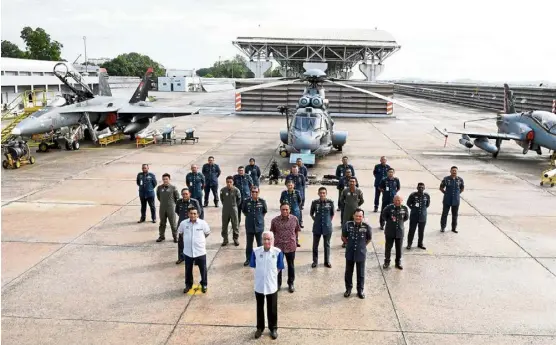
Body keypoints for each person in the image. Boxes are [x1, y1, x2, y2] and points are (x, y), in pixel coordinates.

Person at [249, 231, 284, 340]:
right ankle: (260, 328)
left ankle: (273, 328)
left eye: (269, 239)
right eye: (264, 239)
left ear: (272, 240)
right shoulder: (255, 251)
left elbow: (279, 267)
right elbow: (253, 266)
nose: (266, 241)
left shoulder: (278, 252)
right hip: (259, 285)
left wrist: (270, 276)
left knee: (272, 308)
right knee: (260, 307)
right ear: (262, 240)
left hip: (271, 285)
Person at [179, 207, 211, 294]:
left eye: (194, 214)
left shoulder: (202, 223)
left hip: (200, 251)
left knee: (203, 269)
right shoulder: (183, 223)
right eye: (191, 213)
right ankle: (188, 285)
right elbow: (181, 233)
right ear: (188, 214)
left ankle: (204, 284)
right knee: (188, 270)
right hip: (188, 252)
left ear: (197, 214)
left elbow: (207, 233)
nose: (193, 215)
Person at [270, 203, 300, 293]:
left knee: (291, 265)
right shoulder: (275, 220)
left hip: (290, 246)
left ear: (289, 210)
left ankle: (291, 283)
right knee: (278, 266)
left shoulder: (294, 219)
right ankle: (278, 284)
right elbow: (272, 232)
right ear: (280, 210)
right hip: (278, 247)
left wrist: (297, 242)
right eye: (283, 209)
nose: (285, 211)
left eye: (287, 209)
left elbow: (297, 231)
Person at [342, 209, 372, 299]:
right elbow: (343, 237)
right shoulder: (348, 225)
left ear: (363, 217)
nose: (358, 218)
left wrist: (362, 246)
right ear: (353, 216)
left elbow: (369, 239)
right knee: (348, 272)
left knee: (361, 273)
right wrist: (349, 244)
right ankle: (348, 289)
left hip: (361, 253)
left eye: (360, 216)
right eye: (357, 216)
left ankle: (360, 290)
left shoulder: (366, 227)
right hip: (350, 252)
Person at [381, 195, 409, 270]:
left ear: (401, 201)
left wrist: (400, 223)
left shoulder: (404, 208)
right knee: (388, 248)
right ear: (393, 200)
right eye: (396, 200)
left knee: (399, 248)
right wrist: (390, 221)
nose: (397, 202)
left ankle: (398, 262)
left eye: (399, 200)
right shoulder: (389, 208)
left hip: (399, 231)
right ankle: (387, 262)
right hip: (390, 231)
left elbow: (406, 218)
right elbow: (383, 216)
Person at [175, 188, 202, 264]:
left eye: (186, 194)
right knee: (181, 242)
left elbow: (199, 212)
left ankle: (196, 259)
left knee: (194, 242)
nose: (185, 195)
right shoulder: (179, 202)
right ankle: (181, 257)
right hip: (182, 225)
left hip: (192, 225)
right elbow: (177, 211)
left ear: (189, 194)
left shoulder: (194, 202)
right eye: (183, 194)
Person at [242, 187, 268, 266]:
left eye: (256, 192)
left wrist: (259, 218)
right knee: (249, 244)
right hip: (249, 226)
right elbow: (244, 211)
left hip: (259, 226)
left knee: (260, 244)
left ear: (258, 192)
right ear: (250, 192)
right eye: (253, 192)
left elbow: (264, 211)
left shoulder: (262, 201)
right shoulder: (246, 201)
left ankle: (260, 259)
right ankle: (248, 259)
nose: (254, 193)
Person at [310, 187, 334, 268]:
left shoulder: (330, 202)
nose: (322, 194)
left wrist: (328, 222)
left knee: (326, 245)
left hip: (327, 227)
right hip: (317, 227)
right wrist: (316, 220)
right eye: (321, 193)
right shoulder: (314, 203)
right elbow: (311, 213)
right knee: (315, 245)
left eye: (324, 193)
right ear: (318, 193)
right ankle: (315, 261)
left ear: (326, 194)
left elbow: (332, 214)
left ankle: (327, 261)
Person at [340, 177, 364, 247]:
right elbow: (341, 200)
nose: (352, 183)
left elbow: (362, 200)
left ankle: (353, 241)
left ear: (356, 183)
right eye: (351, 181)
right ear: (348, 182)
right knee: (345, 226)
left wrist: (356, 206)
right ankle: (345, 241)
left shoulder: (359, 191)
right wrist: (346, 206)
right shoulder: (345, 190)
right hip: (347, 212)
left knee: (355, 226)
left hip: (355, 212)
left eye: (353, 182)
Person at [155, 173, 180, 243]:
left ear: (169, 179)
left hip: (171, 208)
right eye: (164, 179)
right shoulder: (159, 188)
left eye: (166, 179)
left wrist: (172, 204)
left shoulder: (173, 188)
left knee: (173, 223)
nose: (165, 180)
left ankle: (175, 236)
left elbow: (177, 197)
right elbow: (158, 197)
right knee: (162, 223)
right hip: (162, 208)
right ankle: (161, 236)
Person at [439, 166, 464, 233]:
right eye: (453, 170)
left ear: (457, 172)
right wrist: (446, 193)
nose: (454, 172)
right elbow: (441, 188)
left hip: (456, 201)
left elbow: (462, 188)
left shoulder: (460, 180)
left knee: (455, 215)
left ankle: (453, 228)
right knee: (444, 214)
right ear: (450, 171)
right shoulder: (446, 179)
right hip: (447, 200)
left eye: (455, 171)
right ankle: (442, 227)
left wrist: (457, 194)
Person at [406, 183, 430, 250]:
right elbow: (408, 203)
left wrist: (422, 210)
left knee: (421, 231)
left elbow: (427, 205)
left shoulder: (426, 196)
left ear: (424, 188)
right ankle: (409, 244)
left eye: (422, 187)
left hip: (422, 217)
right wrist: (413, 209)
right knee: (411, 231)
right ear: (417, 188)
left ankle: (420, 244)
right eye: (419, 187)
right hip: (414, 216)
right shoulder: (413, 195)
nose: (421, 189)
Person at [220, 176, 242, 246]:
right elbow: (222, 199)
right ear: (226, 182)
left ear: (233, 182)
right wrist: (226, 205)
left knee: (235, 224)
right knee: (224, 225)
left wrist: (234, 206)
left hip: (233, 209)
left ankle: (235, 238)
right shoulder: (223, 190)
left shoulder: (236, 190)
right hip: (225, 209)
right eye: (227, 182)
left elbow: (239, 200)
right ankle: (225, 239)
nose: (229, 183)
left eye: (230, 182)